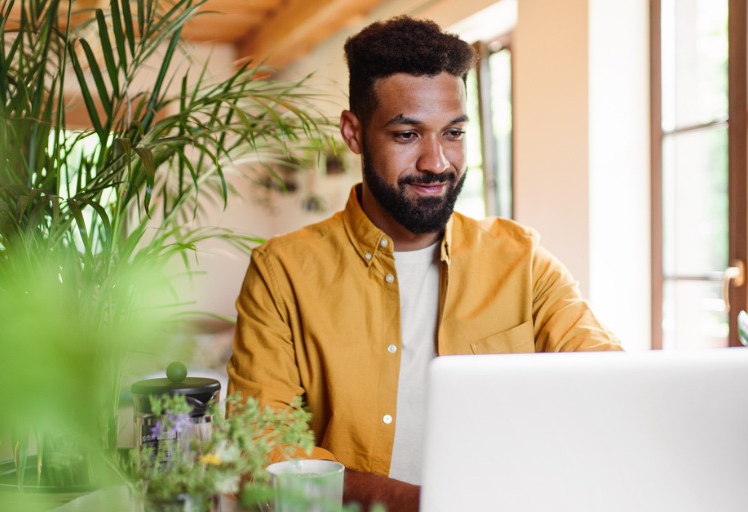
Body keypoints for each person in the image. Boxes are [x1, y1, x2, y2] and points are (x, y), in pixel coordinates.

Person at [227, 16, 622, 512]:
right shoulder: (281, 273)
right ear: (354, 133)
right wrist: (425, 503)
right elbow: (261, 448)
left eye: (453, 132)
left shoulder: (522, 261)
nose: (437, 162)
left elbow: (608, 383)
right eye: (407, 135)